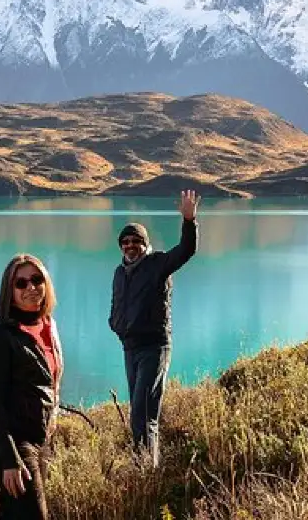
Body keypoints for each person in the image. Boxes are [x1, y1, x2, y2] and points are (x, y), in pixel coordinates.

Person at [109, 189, 199, 467]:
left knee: (143, 412)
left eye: (136, 241)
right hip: (130, 347)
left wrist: (189, 221)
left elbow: (186, 250)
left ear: (145, 244)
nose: (130, 245)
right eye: (125, 241)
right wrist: (116, 326)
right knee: (139, 409)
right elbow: (118, 304)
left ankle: (147, 469)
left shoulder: (158, 264)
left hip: (154, 347)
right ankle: (145, 464)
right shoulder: (119, 272)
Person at [0, 254, 64, 519]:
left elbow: (51, 382)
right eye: (21, 283)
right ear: (10, 290)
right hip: (13, 442)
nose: (31, 288)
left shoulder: (48, 325)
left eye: (36, 280)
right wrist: (10, 459)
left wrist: (52, 421)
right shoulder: (0, 335)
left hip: (40, 436)